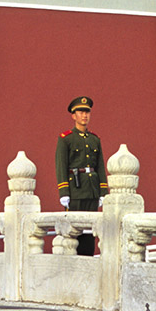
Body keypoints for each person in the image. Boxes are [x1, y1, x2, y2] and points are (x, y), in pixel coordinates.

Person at [55, 96, 107, 256]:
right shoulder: (66, 139)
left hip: (91, 190)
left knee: (90, 231)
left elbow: (100, 166)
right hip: (75, 190)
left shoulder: (94, 139)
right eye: (81, 112)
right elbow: (61, 165)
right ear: (73, 115)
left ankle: (88, 260)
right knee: (75, 229)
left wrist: (103, 192)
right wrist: (64, 192)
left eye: (87, 112)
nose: (84, 115)